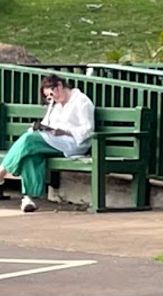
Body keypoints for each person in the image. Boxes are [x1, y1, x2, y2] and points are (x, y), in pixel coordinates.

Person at [0, 75, 95, 213]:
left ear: (60, 86)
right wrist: (39, 128)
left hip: (73, 144)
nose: (52, 98)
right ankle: (28, 199)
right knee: (31, 153)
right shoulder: (55, 104)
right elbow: (47, 124)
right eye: (48, 96)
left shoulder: (81, 101)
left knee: (29, 141)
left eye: (52, 94)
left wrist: (64, 131)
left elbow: (87, 130)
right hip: (53, 141)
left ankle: (1, 173)